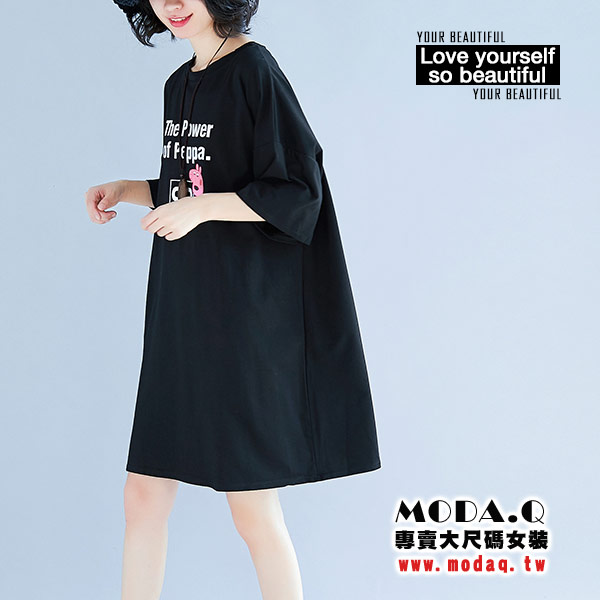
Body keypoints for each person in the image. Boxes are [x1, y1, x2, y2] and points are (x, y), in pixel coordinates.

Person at [84, 1, 381, 598]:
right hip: (182, 315)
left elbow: (298, 190)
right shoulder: (179, 84)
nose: (172, 4)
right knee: (143, 494)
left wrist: (200, 209)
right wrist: (129, 188)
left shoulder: (254, 70)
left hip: (239, 319)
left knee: (251, 505)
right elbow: (189, 184)